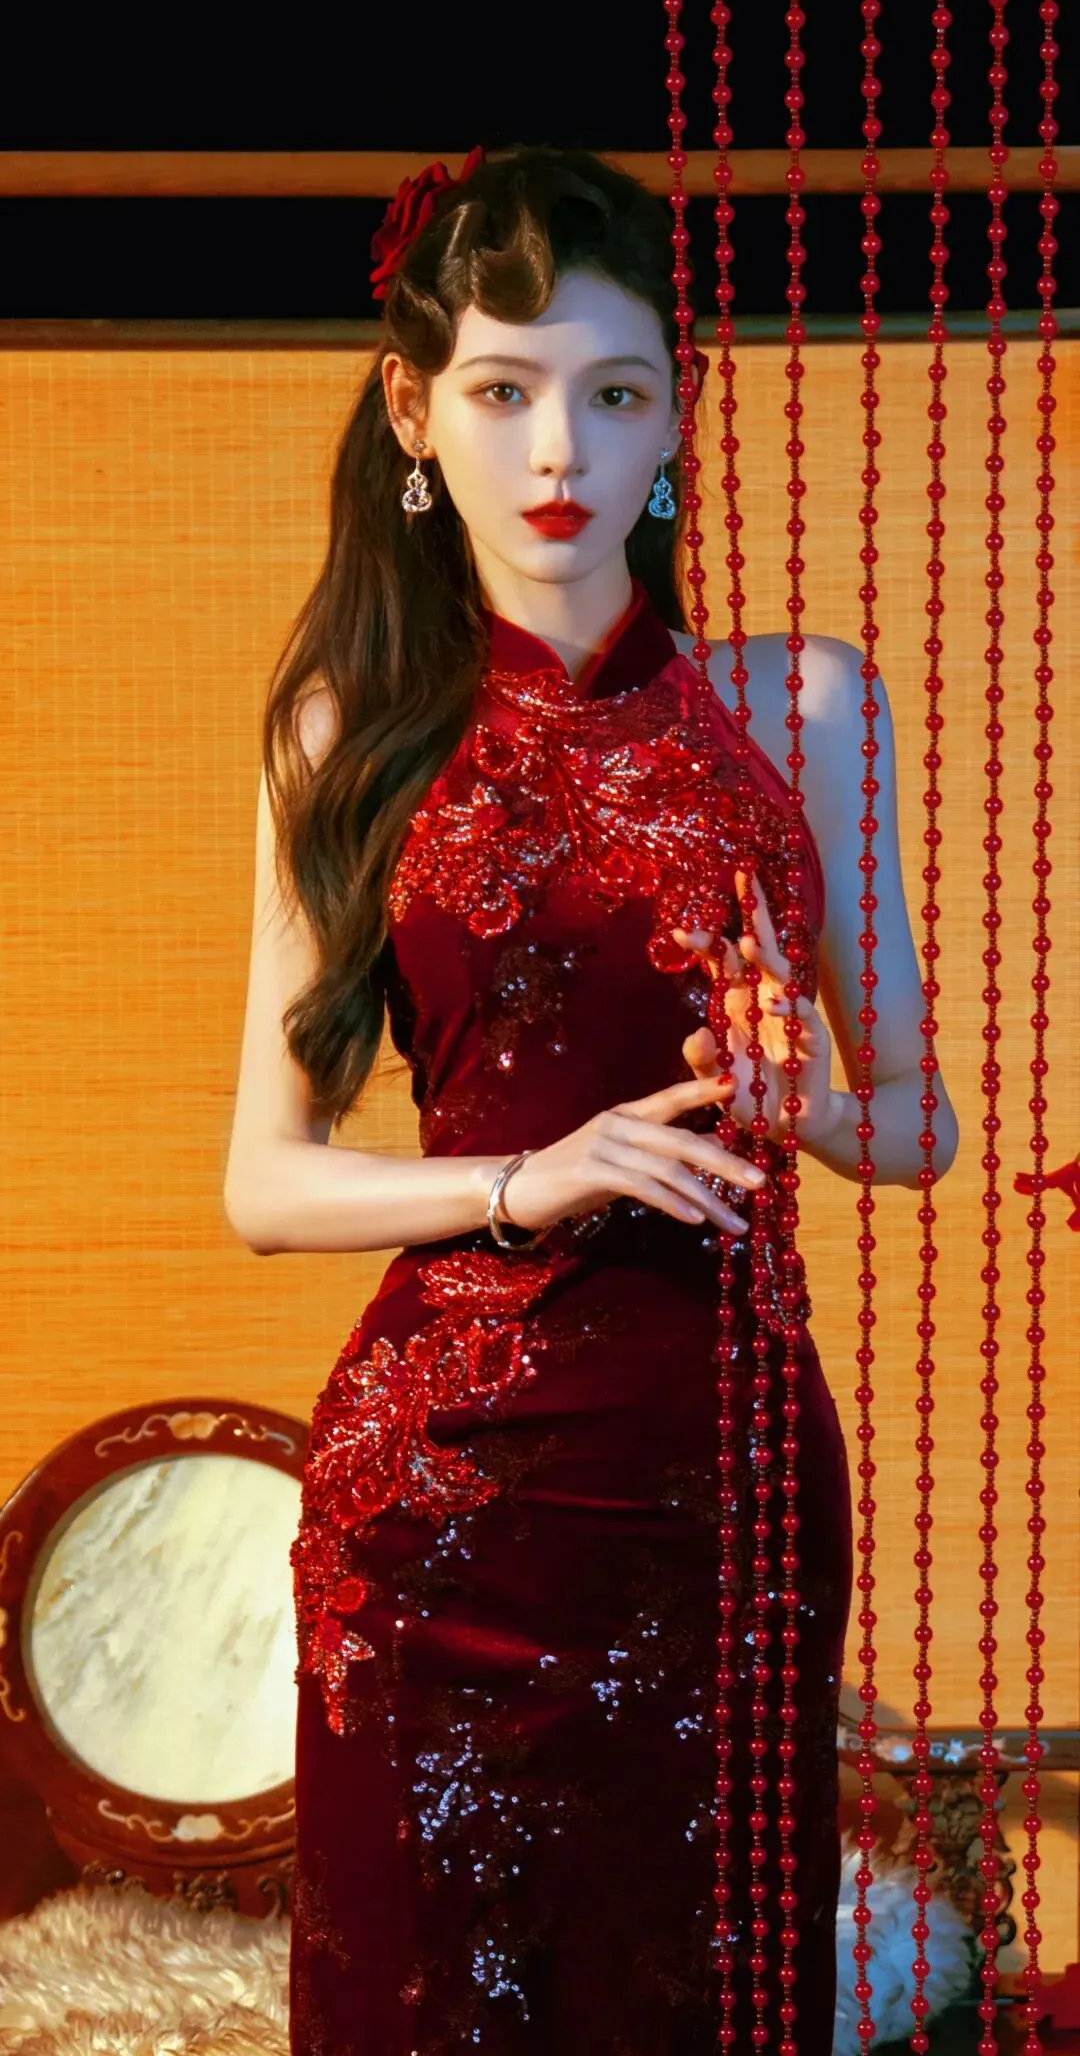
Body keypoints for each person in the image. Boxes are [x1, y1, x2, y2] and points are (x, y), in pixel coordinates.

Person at [224, 143, 959, 2055]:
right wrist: (523, 1177)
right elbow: (266, 1185)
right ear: (414, 412)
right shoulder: (346, 730)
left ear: (677, 414)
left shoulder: (800, 711)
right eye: (502, 391)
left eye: (614, 393)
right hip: (439, 1499)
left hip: (729, 1483)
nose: (560, 450)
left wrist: (797, 1093)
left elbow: (920, 1125)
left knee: (712, 1988)